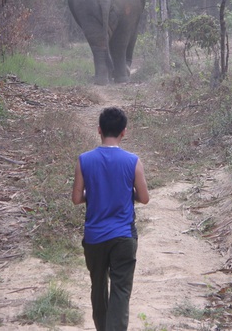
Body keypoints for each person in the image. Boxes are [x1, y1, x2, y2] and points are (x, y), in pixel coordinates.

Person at [72, 106, 150, 331]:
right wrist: (127, 192)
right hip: (123, 236)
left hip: (95, 236)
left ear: (99, 130)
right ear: (123, 132)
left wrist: (94, 192)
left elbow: (77, 198)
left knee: (98, 288)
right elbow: (144, 198)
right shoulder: (133, 161)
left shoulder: (84, 160)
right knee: (120, 291)